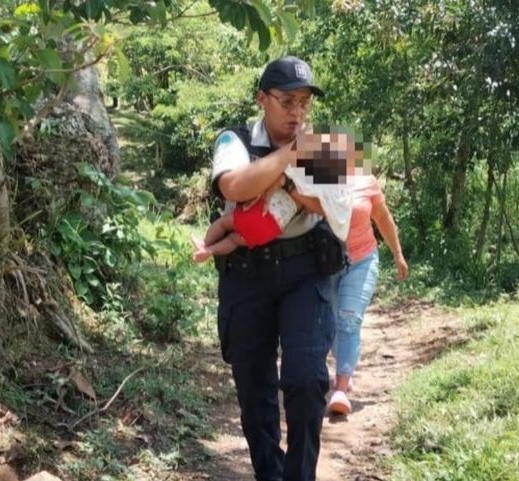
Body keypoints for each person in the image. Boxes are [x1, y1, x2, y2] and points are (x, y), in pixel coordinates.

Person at [210, 56, 347, 481]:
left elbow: (338, 204)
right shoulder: (233, 140)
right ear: (262, 100)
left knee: (306, 381)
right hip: (247, 273)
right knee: (254, 389)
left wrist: (289, 177)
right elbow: (233, 186)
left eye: (304, 103)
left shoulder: (324, 145)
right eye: (287, 101)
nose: (297, 112)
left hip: (306, 269)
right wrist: (291, 157)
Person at [194, 135, 357, 263]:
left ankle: (205, 246)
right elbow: (311, 210)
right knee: (233, 240)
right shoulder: (320, 191)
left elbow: (270, 180)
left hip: (260, 211)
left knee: (223, 224)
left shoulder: (298, 171)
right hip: (272, 228)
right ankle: (210, 251)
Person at [326, 172, 409, 415]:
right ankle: (345, 365)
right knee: (330, 322)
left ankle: (341, 387)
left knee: (349, 320)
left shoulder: (366, 182)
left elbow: (382, 217)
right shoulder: (315, 180)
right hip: (325, 263)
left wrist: (398, 254)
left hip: (361, 260)